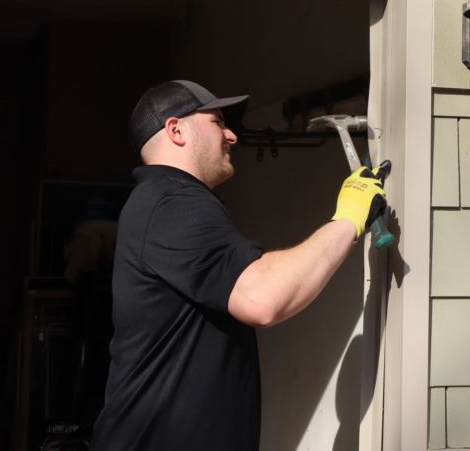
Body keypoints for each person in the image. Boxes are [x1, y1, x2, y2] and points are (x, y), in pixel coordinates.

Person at [91, 80, 387, 450]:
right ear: (175, 129)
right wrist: (348, 219)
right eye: (217, 122)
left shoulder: (161, 203)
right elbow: (262, 297)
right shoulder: (171, 202)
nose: (231, 135)